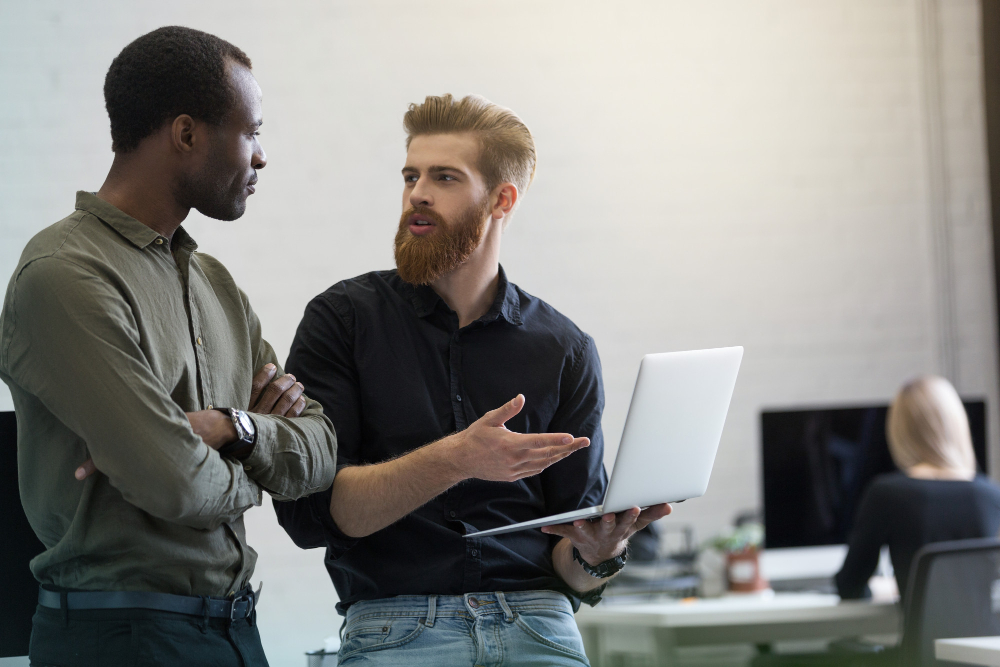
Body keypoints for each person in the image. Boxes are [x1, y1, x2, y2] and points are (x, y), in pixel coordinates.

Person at [274, 94, 671, 666]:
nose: (418, 193)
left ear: (501, 200)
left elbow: (575, 571)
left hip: (538, 622)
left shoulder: (564, 348)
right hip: (399, 626)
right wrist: (458, 457)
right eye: (411, 175)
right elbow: (315, 517)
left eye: (444, 177)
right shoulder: (344, 320)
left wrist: (600, 551)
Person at [0, 27, 337, 666]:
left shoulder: (216, 285)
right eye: (252, 131)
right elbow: (174, 481)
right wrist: (257, 457)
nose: (261, 156)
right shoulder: (64, 274)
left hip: (236, 631)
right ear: (187, 134)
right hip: (120, 638)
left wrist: (230, 429)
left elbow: (320, 452)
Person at [835, 375, 1000, 601]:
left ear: (899, 430)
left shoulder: (887, 494)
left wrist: (884, 588)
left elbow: (848, 586)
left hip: (919, 638)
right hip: (984, 636)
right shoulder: (990, 495)